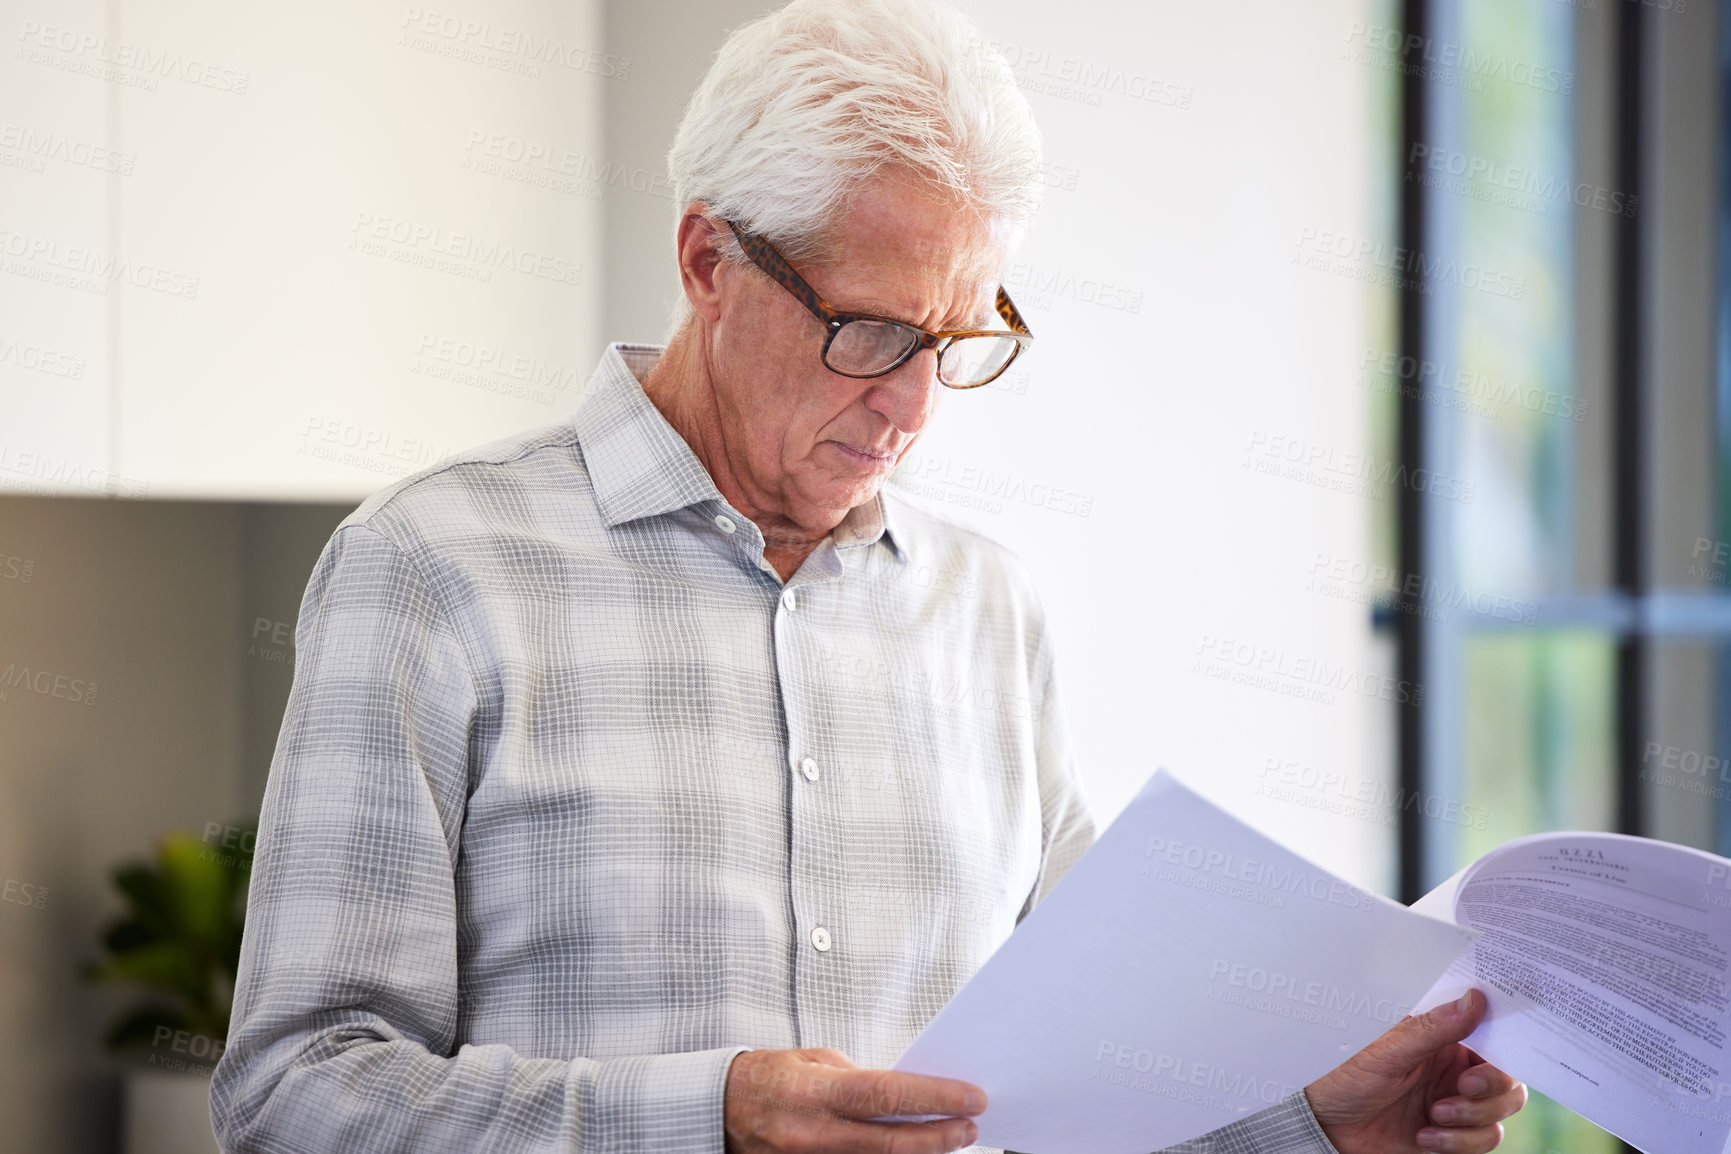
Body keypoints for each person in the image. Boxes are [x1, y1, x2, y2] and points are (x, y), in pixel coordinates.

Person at [210, 1, 1527, 1151]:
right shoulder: (434, 573)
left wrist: (1312, 1123)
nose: (911, 405)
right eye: (872, 330)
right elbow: (293, 1098)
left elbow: (1077, 1084)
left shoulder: (988, 613)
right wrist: (709, 1117)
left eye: (952, 339)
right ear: (707, 261)